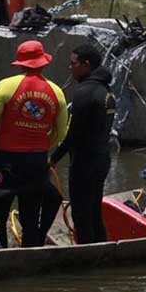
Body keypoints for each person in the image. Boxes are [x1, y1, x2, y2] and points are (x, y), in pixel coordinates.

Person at [0, 40, 69, 248]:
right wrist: (43, 146)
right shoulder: (57, 92)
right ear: (44, 62)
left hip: (6, 160)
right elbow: (62, 132)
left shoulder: (5, 86)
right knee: (30, 214)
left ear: (20, 63)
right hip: (36, 162)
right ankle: (31, 248)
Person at [50, 43, 116, 244]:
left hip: (84, 162)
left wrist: (53, 158)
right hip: (102, 160)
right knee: (94, 209)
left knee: (80, 212)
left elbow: (74, 134)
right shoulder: (106, 91)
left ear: (86, 65)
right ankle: (101, 248)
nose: (70, 68)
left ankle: (87, 252)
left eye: (74, 63)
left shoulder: (84, 92)